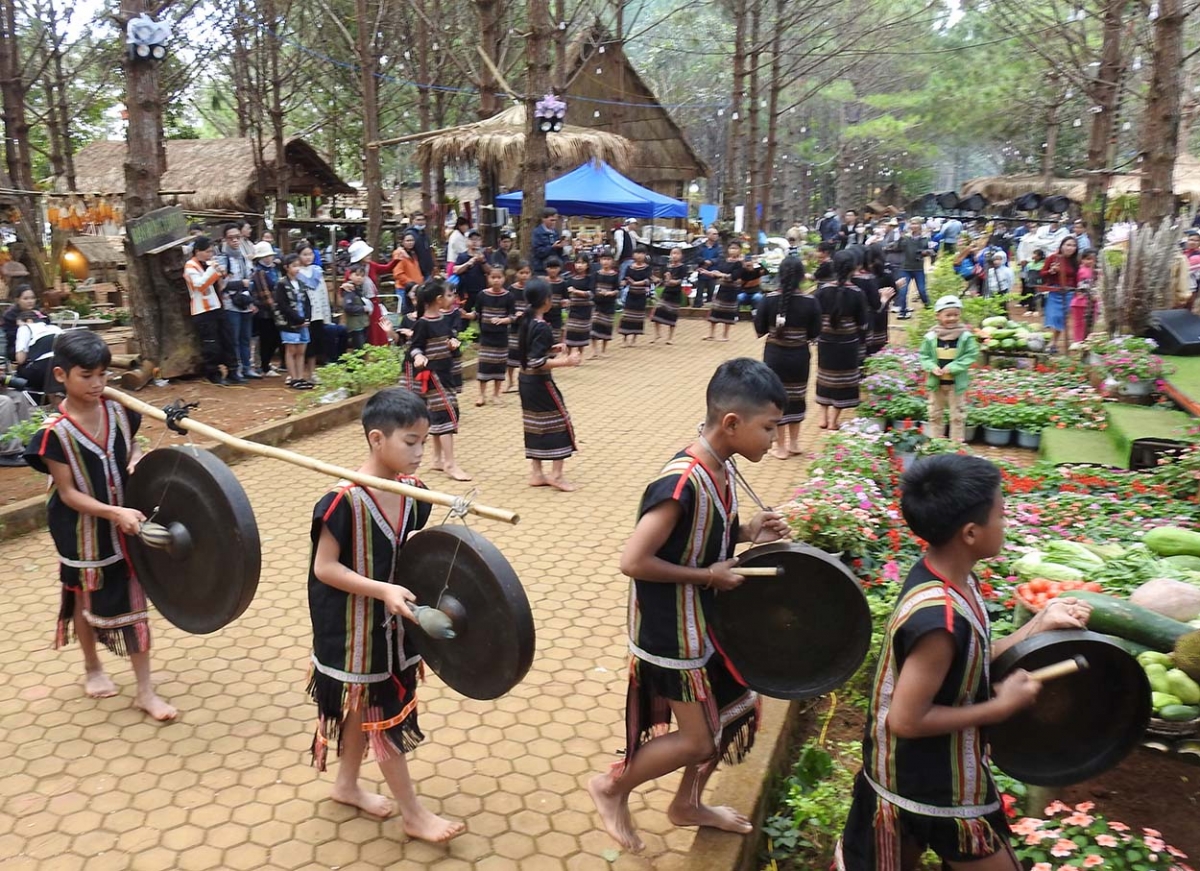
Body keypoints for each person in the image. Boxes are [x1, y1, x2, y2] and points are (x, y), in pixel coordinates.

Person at [835, 454, 1091, 871]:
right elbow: (905, 719)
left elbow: (967, 661)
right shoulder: (940, 620)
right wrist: (1000, 707)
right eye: (1002, 515)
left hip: (913, 779)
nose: (1006, 523)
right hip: (928, 784)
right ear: (971, 533)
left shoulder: (950, 578)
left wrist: (1037, 627)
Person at [587, 357, 791, 854]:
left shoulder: (722, 467)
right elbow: (633, 560)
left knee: (735, 706)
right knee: (699, 739)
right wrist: (708, 576)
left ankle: (688, 804)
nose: (773, 439)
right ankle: (610, 787)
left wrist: (747, 531)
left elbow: (703, 535)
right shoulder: (682, 481)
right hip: (671, 633)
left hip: (705, 622)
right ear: (731, 423)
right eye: (769, 428)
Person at [307, 387, 465, 844]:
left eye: (424, 441)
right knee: (384, 714)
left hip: (396, 626)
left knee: (365, 708)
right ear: (377, 439)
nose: (420, 452)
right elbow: (325, 569)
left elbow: (420, 557)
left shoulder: (414, 493)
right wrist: (382, 590)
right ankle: (413, 814)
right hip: (353, 629)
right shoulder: (342, 502)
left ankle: (345, 785)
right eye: (410, 442)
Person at [23, 330, 176, 720]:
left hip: (128, 522)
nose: (96, 384)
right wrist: (113, 513)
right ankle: (92, 666)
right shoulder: (53, 434)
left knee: (136, 602)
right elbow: (69, 493)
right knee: (81, 596)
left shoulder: (121, 410)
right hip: (81, 532)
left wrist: (137, 461)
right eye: (86, 376)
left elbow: (133, 446)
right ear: (61, 375)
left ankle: (145, 690)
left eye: (103, 375)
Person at [754, 255, 822, 459]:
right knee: (798, 396)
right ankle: (794, 442)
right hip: (799, 356)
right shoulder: (810, 302)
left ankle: (780, 445)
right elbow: (814, 333)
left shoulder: (769, 299)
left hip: (774, 355)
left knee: (777, 398)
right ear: (802, 276)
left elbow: (759, 329)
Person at [517, 278, 581, 490]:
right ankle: (556, 474)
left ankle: (536, 472)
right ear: (546, 300)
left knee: (535, 423)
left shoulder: (527, 322)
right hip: (538, 382)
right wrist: (567, 362)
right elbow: (537, 361)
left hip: (525, 381)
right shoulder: (541, 326)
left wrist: (552, 349)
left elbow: (531, 353)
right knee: (559, 421)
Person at [405, 280, 470, 481]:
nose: (451, 299)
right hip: (432, 375)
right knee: (447, 414)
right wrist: (418, 357)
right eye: (447, 295)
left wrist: (453, 344)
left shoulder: (445, 319)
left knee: (439, 414)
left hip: (446, 372)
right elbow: (415, 346)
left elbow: (452, 339)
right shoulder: (423, 323)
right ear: (438, 299)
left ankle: (437, 459)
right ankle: (450, 463)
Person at [814, 251, 869, 430]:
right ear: (854, 268)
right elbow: (863, 323)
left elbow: (814, 318)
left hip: (826, 341)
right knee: (843, 380)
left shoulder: (821, 292)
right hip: (848, 343)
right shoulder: (857, 293)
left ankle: (822, 417)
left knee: (824, 376)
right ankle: (833, 421)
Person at [919, 296, 979, 443]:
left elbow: (971, 355)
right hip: (937, 383)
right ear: (938, 316)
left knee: (957, 415)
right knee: (935, 413)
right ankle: (936, 443)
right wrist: (932, 367)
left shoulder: (965, 336)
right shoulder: (931, 336)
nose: (952, 318)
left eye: (956, 315)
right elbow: (924, 356)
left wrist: (953, 367)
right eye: (948, 315)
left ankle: (956, 445)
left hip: (956, 384)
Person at [185, 236, 238, 385]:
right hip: (202, 310)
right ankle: (213, 373)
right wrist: (212, 270)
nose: (210, 255)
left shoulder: (207, 264)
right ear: (197, 251)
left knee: (228, 339)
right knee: (211, 344)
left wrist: (221, 274)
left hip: (217, 306)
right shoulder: (190, 266)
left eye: (211, 252)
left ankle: (233, 370)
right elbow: (199, 285)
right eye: (207, 252)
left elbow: (220, 285)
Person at [220, 222, 259, 380]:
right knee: (233, 339)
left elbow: (250, 279)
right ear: (225, 240)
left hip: (245, 303)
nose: (235, 241)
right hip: (230, 303)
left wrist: (251, 300)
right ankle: (235, 369)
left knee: (246, 337)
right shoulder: (222, 259)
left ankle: (247, 368)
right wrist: (239, 284)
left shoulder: (245, 259)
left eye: (237, 237)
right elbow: (221, 284)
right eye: (231, 238)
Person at [474, 265, 515, 406]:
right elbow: (477, 313)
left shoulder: (509, 296)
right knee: (484, 365)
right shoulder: (482, 295)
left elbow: (513, 316)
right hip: (486, 336)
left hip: (501, 336)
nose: (496, 280)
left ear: (504, 278)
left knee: (499, 365)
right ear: (488, 278)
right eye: (493, 277)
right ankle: (481, 394)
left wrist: (503, 320)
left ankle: (496, 394)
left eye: (499, 277)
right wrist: (467, 315)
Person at [274, 253, 312, 390]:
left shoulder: (301, 283)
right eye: (294, 266)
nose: (297, 269)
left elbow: (307, 302)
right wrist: (298, 319)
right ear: (286, 267)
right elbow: (282, 305)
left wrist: (307, 317)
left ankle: (301, 376)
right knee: (291, 349)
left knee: (301, 349)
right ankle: (293, 377)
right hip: (289, 321)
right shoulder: (281, 284)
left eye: (298, 266)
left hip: (303, 320)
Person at [296, 243, 330, 379]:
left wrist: (326, 315)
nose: (308, 257)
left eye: (310, 254)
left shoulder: (317, 271)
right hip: (304, 315)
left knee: (315, 345)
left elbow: (323, 294)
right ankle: (298, 374)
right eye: (304, 254)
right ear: (298, 256)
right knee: (303, 346)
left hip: (318, 313)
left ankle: (312, 372)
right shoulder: (297, 272)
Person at [1040, 236, 1078, 353]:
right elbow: (1042, 273)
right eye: (1068, 245)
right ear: (1062, 246)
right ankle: (1049, 340)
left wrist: (1076, 292)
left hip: (1069, 292)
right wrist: (1051, 271)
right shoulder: (1053, 258)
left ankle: (1053, 343)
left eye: (1073, 245)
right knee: (1053, 316)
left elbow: (1077, 277)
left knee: (1062, 318)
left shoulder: (1076, 261)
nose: (1070, 248)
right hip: (1055, 291)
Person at [251, 241, 283, 376]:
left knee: (275, 338)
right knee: (266, 339)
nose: (268, 258)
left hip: (275, 309)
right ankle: (264, 366)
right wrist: (276, 309)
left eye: (269, 255)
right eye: (265, 256)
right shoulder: (259, 273)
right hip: (265, 311)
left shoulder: (274, 270)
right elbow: (265, 293)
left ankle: (267, 363)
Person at [13, 311, 62, 396]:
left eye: (19, 325)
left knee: (17, 373)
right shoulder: (55, 328)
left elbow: (20, 359)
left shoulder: (25, 328)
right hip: (62, 368)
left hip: (41, 371)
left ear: (29, 321)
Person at [704, 241, 745, 342]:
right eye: (731, 248)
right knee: (715, 310)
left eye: (735, 248)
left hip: (731, 290)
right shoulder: (725, 260)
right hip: (722, 288)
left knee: (728, 312)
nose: (733, 250)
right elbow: (718, 272)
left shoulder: (739, 264)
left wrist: (720, 275)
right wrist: (709, 273)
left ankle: (725, 335)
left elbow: (734, 276)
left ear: (739, 250)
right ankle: (711, 334)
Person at [897, 219, 932, 318]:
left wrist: (925, 252)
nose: (914, 226)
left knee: (922, 291)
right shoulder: (905, 238)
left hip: (918, 268)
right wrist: (900, 238)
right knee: (903, 291)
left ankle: (929, 307)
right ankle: (903, 311)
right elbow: (898, 247)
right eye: (912, 223)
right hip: (905, 268)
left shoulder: (925, 238)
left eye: (916, 223)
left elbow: (930, 250)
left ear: (920, 225)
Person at [506, 261, 532, 392]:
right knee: (511, 355)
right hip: (515, 326)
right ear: (516, 274)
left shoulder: (532, 289)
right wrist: (514, 314)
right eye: (521, 273)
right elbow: (508, 307)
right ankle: (510, 382)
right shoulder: (511, 289)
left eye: (527, 273)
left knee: (526, 354)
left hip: (528, 325)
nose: (524, 276)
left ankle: (524, 381)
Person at [652, 247, 686, 344]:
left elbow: (679, 281)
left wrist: (670, 280)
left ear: (681, 256)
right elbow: (662, 280)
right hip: (666, 292)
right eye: (672, 253)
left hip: (675, 293)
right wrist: (655, 279)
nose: (674, 255)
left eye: (677, 253)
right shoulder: (666, 267)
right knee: (657, 312)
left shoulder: (682, 267)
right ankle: (657, 334)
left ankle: (670, 337)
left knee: (672, 315)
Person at [620, 247, 653, 345]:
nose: (639, 255)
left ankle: (634, 338)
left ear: (645, 255)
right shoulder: (629, 267)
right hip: (631, 294)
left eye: (641, 253)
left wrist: (635, 283)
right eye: (637, 253)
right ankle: (625, 338)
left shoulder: (647, 268)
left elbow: (647, 280)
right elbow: (625, 279)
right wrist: (623, 282)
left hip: (641, 295)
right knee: (627, 315)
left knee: (638, 317)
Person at [452, 230, 489, 313]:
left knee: (480, 312)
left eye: (477, 239)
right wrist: (468, 263)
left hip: (481, 290)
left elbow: (490, 271)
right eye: (472, 239)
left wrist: (483, 261)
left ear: (481, 242)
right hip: (465, 291)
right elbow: (456, 270)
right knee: (464, 314)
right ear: (467, 241)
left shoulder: (484, 256)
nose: (474, 242)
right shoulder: (462, 256)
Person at [590, 252, 620, 358]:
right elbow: (592, 288)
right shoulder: (596, 274)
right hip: (598, 304)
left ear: (612, 261)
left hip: (609, 304)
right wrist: (598, 293)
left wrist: (610, 293)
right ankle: (594, 350)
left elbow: (617, 289)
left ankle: (603, 350)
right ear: (600, 261)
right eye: (603, 259)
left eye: (608, 259)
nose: (606, 261)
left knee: (606, 327)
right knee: (594, 327)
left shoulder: (615, 275)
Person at [564, 254, 594, 355]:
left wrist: (576, 291)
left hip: (585, 311)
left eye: (582, 263)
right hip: (573, 310)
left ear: (587, 265)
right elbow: (566, 294)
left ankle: (579, 356)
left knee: (582, 334)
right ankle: (568, 356)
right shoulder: (570, 279)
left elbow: (590, 294)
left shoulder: (590, 279)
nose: (579, 265)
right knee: (570, 333)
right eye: (577, 263)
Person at [2, 284, 40, 360]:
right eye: (25, 299)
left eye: (32, 298)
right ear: (17, 300)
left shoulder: (37, 313)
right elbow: (11, 337)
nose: (30, 301)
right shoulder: (10, 316)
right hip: (16, 347)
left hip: (38, 345)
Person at [340, 266, 372, 351]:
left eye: (362, 276)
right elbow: (347, 307)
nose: (359, 278)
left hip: (362, 323)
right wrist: (363, 308)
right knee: (359, 349)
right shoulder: (349, 290)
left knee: (362, 348)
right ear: (350, 275)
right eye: (357, 275)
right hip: (355, 325)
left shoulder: (359, 288)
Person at [692, 227, 723, 308]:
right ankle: (697, 307)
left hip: (713, 273)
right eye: (714, 234)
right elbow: (696, 257)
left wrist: (711, 261)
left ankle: (709, 307)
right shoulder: (700, 247)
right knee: (699, 291)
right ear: (708, 235)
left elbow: (720, 258)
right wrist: (704, 261)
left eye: (717, 234)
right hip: (702, 272)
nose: (716, 236)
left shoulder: (719, 248)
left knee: (711, 291)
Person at [1071, 248, 1097, 343]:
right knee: (1081, 323)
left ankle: (1083, 340)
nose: (1091, 261)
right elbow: (1083, 287)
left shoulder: (1092, 271)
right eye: (1088, 259)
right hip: (1082, 302)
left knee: (1086, 323)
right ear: (1082, 259)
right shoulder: (1083, 271)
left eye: (1093, 259)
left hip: (1087, 301)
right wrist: (1093, 295)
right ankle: (1079, 341)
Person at [531, 207, 564, 274]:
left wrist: (560, 246)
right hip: (541, 269)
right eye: (551, 220)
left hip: (555, 267)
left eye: (555, 220)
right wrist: (552, 247)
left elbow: (559, 253)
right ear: (544, 219)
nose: (554, 223)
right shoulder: (537, 232)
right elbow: (538, 251)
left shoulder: (555, 232)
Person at [543, 256, 568, 344]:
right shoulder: (543, 283)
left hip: (556, 315)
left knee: (555, 339)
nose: (553, 270)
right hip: (543, 315)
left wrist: (565, 302)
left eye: (555, 268)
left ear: (559, 269)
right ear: (546, 268)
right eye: (550, 268)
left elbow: (566, 298)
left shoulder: (563, 284)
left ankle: (554, 357)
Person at [406, 212, 436, 278]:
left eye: (422, 220)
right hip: (416, 271)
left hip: (427, 270)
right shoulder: (410, 234)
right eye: (418, 220)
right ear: (412, 221)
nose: (421, 222)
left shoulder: (424, 234)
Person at [1021, 249, 1045, 314]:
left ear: (1040, 256)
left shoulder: (1043, 264)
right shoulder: (1029, 264)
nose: (1033, 256)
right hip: (1030, 282)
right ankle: (1030, 308)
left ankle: (1038, 309)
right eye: (1033, 254)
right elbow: (1026, 272)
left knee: (1038, 295)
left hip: (1038, 282)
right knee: (1029, 295)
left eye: (1035, 254)